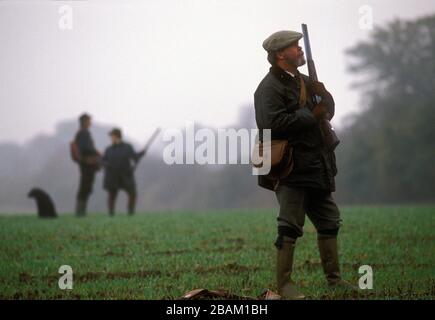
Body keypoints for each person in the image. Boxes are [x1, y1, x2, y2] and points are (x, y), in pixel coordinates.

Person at [254, 30, 356, 299]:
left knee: (329, 221)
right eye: (294, 47)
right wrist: (311, 114)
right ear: (280, 55)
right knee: (289, 226)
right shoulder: (268, 89)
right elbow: (272, 125)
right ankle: (285, 286)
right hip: (290, 168)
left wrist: (324, 97)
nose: (300, 50)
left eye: (300, 46)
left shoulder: (305, 80)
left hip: (316, 165)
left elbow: (326, 110)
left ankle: (334, 280)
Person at [102, 128, 145, 216]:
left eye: (112, 136)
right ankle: (111, 214)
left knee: (132, 193)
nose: (111, 138)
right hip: (112, 176)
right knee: (112, 195)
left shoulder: (127, 147)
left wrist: (141, 153)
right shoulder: (108, 149)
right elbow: (102, 161)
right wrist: (106, 164)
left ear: (117, 136)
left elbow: (134, 157)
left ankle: (130, 212)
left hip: (126, 175)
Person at [74, 113, 101, 216]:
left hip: (88, 164)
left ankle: (81, 212)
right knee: (85, 187)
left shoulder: (84, 133)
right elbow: (86, 149)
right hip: (86, 164)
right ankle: (80, 212)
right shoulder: (82, 133)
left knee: (87, 187)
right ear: (84, 122)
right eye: (89, 121)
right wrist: (97, 153)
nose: (91, 123)